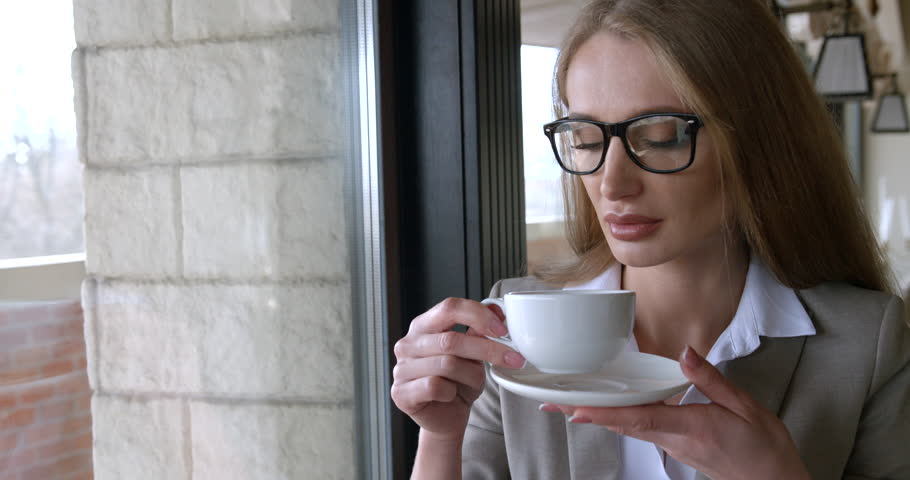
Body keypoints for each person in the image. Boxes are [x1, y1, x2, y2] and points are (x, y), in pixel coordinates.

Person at [390, 0, 910, 478]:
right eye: (586, 138)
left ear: (759, 141)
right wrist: (440, 435)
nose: (612, 184)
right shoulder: (514, 332)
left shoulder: (869, 347)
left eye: (662, 137)